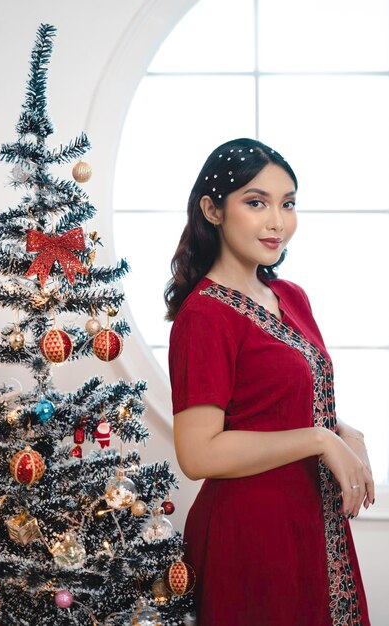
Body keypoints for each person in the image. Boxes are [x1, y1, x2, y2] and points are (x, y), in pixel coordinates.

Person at [164, 138, 373, 626]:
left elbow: (282, 401)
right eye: (256, 203)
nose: (277, 221)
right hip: (253, 534)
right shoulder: (204, 316)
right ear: (212, 210)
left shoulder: (290, 296)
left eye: (288, 204)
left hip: (315, 522)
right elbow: (198, 454)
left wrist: (345, 431)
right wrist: (319, 439)